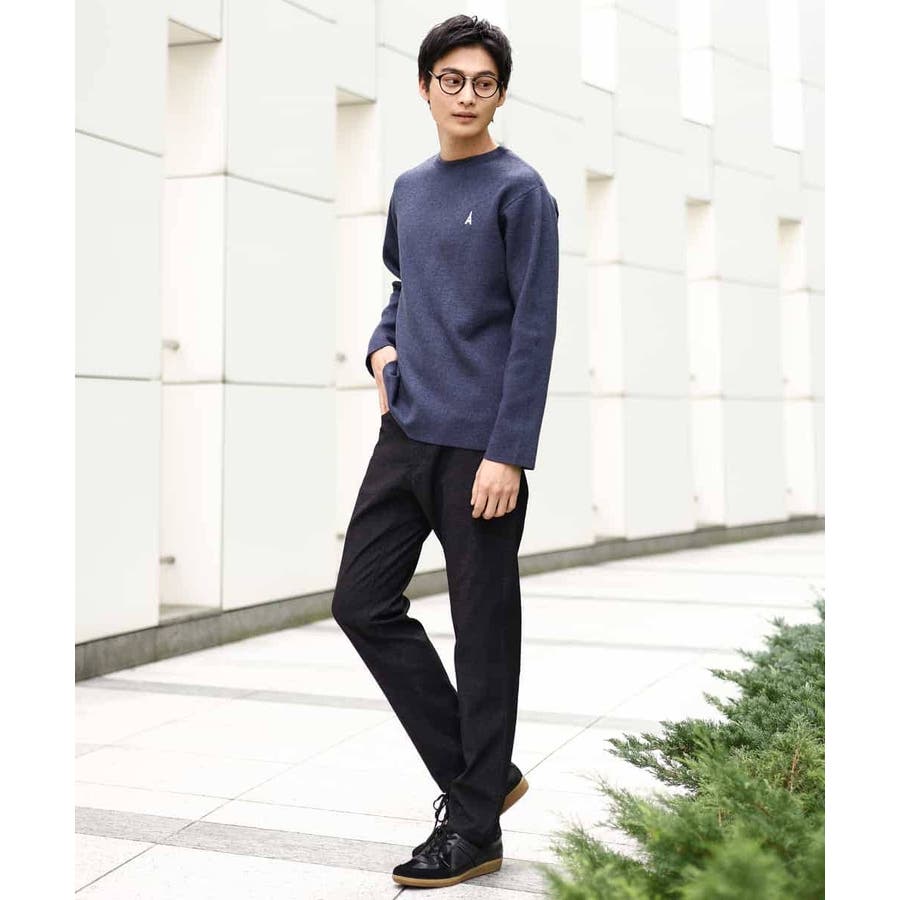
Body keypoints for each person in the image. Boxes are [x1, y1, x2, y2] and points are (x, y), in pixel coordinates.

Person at [331, 13, 559, 890]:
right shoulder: (411, 187)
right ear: (425, 88)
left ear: (501, 94)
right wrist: (381, 347)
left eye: (483, 82)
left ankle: (473, 831)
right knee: (361, 603)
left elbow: (534, 328)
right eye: (451, 80)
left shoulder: (520, 191)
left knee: (483, 637)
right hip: (406, 434)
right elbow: (404, 285)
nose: (467, 95)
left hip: (479, 450)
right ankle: (484, 777)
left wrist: (510, 452)